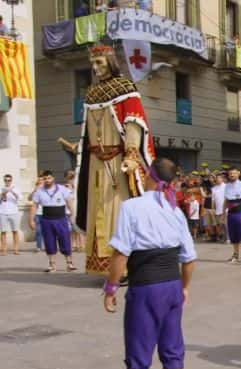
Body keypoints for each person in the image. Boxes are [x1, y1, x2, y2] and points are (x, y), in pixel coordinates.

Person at [101, 157, 196, 369]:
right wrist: (184, 287)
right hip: (171, 286)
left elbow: (121, 253)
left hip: (145, 287)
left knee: (139, 352)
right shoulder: (174, 210)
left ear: (150, 176)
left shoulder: (132, 207)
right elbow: (188, 258)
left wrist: (110, 288)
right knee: (172, 350)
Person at [74, 44, 155, 275]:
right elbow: (88, 131)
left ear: (110, 61)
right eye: (93, 63)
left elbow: (134, 123)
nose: (95, 67)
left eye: (99, 62)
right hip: (96, 163)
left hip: (118, 162)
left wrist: (131, 154)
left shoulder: (125, 88)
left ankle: (126, 267)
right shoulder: (91, 93)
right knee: (96, 210)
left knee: (118, 212)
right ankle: (104, 266)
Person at [29, 171, 77, 273]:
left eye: (49, 178)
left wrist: (72, 215)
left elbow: (69, 202)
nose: (47, 180)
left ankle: (69, 263)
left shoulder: (62, 189)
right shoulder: (39, 191)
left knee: (65, 240)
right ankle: (52, 265)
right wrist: (31, 220)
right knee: (49, 242)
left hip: (61, 219)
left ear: (53, 178)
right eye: (45, 179)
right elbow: (34, 206)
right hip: (46, 220)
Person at [224, 168, 241, 263]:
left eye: (234, 173)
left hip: (240, 212)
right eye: (230, 173)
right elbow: (226, 200)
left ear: (238, 173)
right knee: (233, 234)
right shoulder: (226, 186)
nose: (232, 175)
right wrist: (223, 213)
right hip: (231, 213)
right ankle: (235, 255)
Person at [1, 174, 22, 256]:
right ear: (4, 181)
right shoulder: (1, 189)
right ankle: (4, 250)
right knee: (3, 232)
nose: (7, 182)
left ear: (11, 180)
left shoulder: (16, 189)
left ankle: (16, 249)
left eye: (9, 180)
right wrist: (3, 194)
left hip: (14, 212)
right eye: (6, 180)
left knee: (15, 231)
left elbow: (20, 198)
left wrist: (12, 192)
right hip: (3, 212)